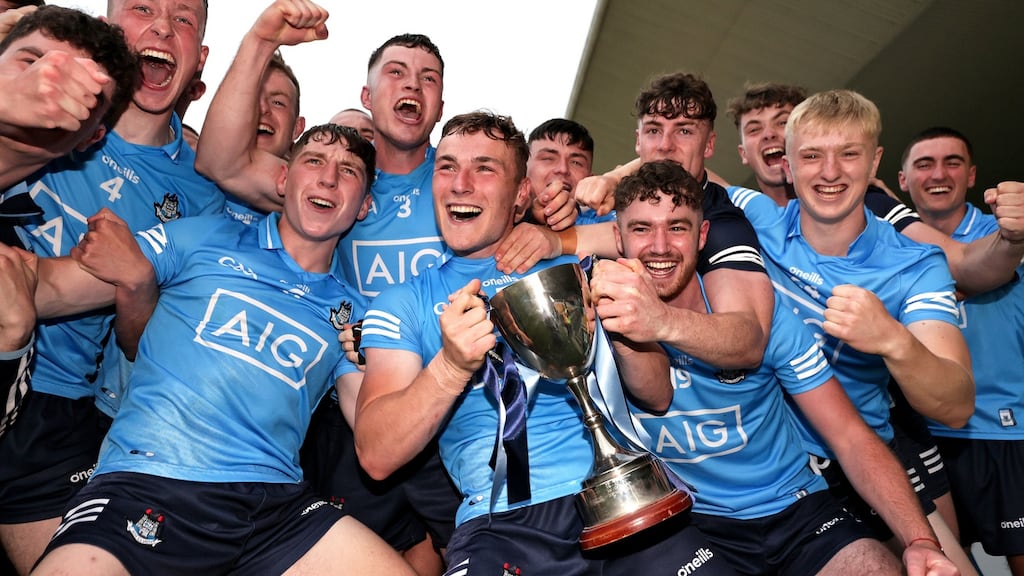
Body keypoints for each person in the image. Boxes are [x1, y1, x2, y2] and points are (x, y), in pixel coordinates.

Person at [355, 110, 736, 576]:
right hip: (503, 525)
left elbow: (657, 394)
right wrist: (449, 367)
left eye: (484, 168)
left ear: (520, 196)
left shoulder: (577, 268)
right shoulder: (402, 302)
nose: (461, 183)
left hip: (629, 496)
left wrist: (625, 328)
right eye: (448, 166)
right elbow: (375, 456)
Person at [26, 123, 416, 576]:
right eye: (314, 161)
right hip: (149, 481)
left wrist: (444, 365)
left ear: (365, 205)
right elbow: (51, 287)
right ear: (283, 179)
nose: (328, 178)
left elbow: (376, 439)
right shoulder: (199, 237)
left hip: (276, 510)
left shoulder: (353, 312)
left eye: (348, 171)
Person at [594, 158, 958, 575]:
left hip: (795, 507)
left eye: (677, 227)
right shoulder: (594, 325)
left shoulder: (765, 317)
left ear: (702, 236)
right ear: (618, 239)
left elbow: (850, 436)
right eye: (641, 228)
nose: (660, 246)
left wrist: (919, 540)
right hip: (693, 524)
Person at [0, 1, 230, 572]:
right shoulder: (38, 109)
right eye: (142, 8)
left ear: (199, 59)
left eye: (183, 19)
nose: (160, 27)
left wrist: (139, 283)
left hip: (59, 417)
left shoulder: (205, 191)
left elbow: (135, 341)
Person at [724, 89, 978, 563]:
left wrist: (893, 340)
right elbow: (675, 183)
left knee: (949, 566)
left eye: (849, 154)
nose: (830, 172)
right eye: (813, 156)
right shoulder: (756, 221)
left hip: (861, 465)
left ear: (875, 159)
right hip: (766, 473)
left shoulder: (916, 265)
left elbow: (957, 404)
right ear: (789, 165)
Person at [541, 72, 774, 371]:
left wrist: (660, 321)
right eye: (654, 130)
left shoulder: (720, 220)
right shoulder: (609, 201)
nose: (665, 145)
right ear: (638, 141)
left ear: (709, 145)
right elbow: (569, 239)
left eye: (684, 131)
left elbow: (749, 341)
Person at [899, 126, 1024, 575]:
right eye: (924, 164)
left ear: (971, 175)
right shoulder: (886, 245)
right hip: (924, 437)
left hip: (1006, 432)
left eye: (952, 162)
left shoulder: (1006, 234)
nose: (939, 173)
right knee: (944, 565)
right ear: (901, 180)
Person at [522, 118, 587, 229]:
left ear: (591, 179)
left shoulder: (608, 224)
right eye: (548, 158)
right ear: (523, 169)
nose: (563, 169)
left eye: (576, 163)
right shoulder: (495, 218)